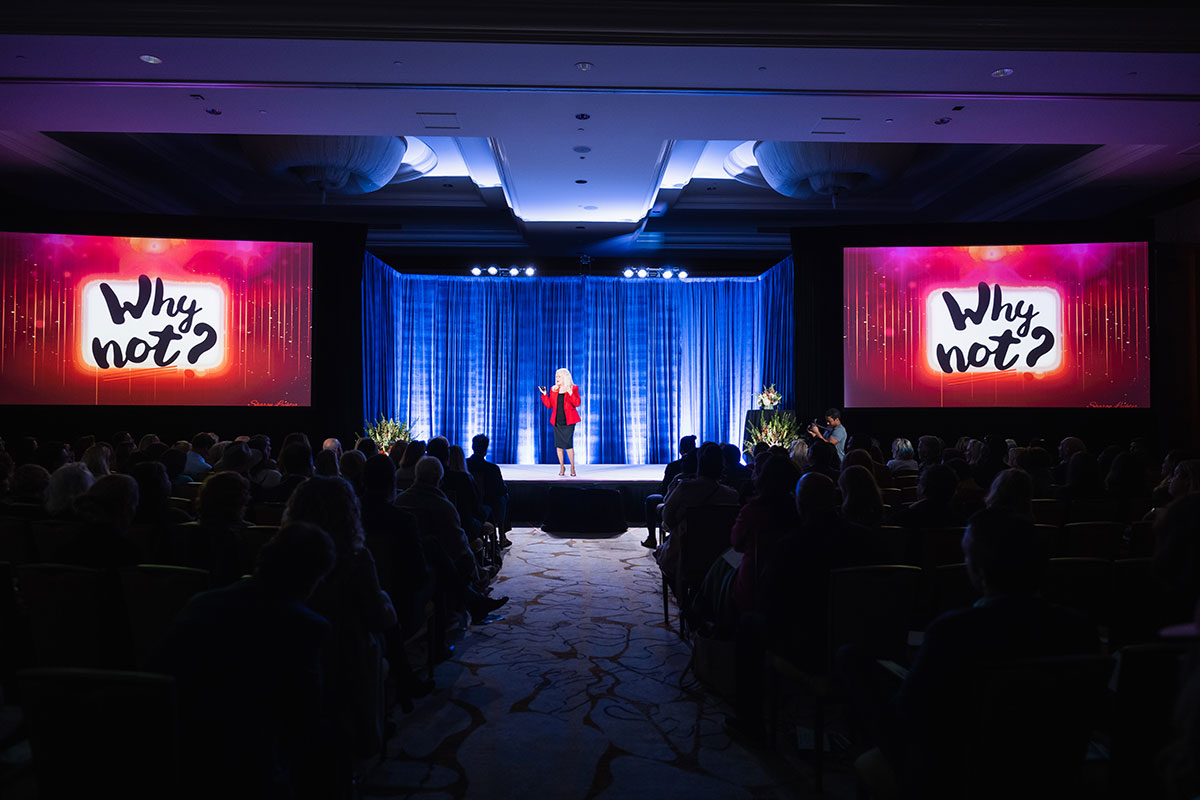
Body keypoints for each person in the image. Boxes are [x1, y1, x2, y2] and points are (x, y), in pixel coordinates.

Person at [642, 435, 698, 549]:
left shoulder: (674, 467)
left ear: (681, 449)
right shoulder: (701, 467)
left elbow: (666, 490)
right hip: (697, 506)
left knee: (650, 500)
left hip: (675, 503)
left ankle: (652, 538)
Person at [467, 434, 512, 548]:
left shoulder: (464, 465)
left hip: (468, 504)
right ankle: (502, 535)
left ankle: (500, 536)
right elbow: (501, 489)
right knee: (504, 496)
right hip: (489, 505)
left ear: (473, 447)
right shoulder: (492, 468)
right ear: (485, 450)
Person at [539, 367, 581, 477]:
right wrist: (544, 395)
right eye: (556, 376)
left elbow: (577, 403)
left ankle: (572, 467)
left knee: (568, 445)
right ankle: (562, 467)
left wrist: (571, 393)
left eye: (559, 376)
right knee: (559, 446)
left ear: (565, 377)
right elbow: (549, 405)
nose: (557, 378)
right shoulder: (554, 390)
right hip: (557, 421)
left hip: (569, 421)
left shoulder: (573, 388)